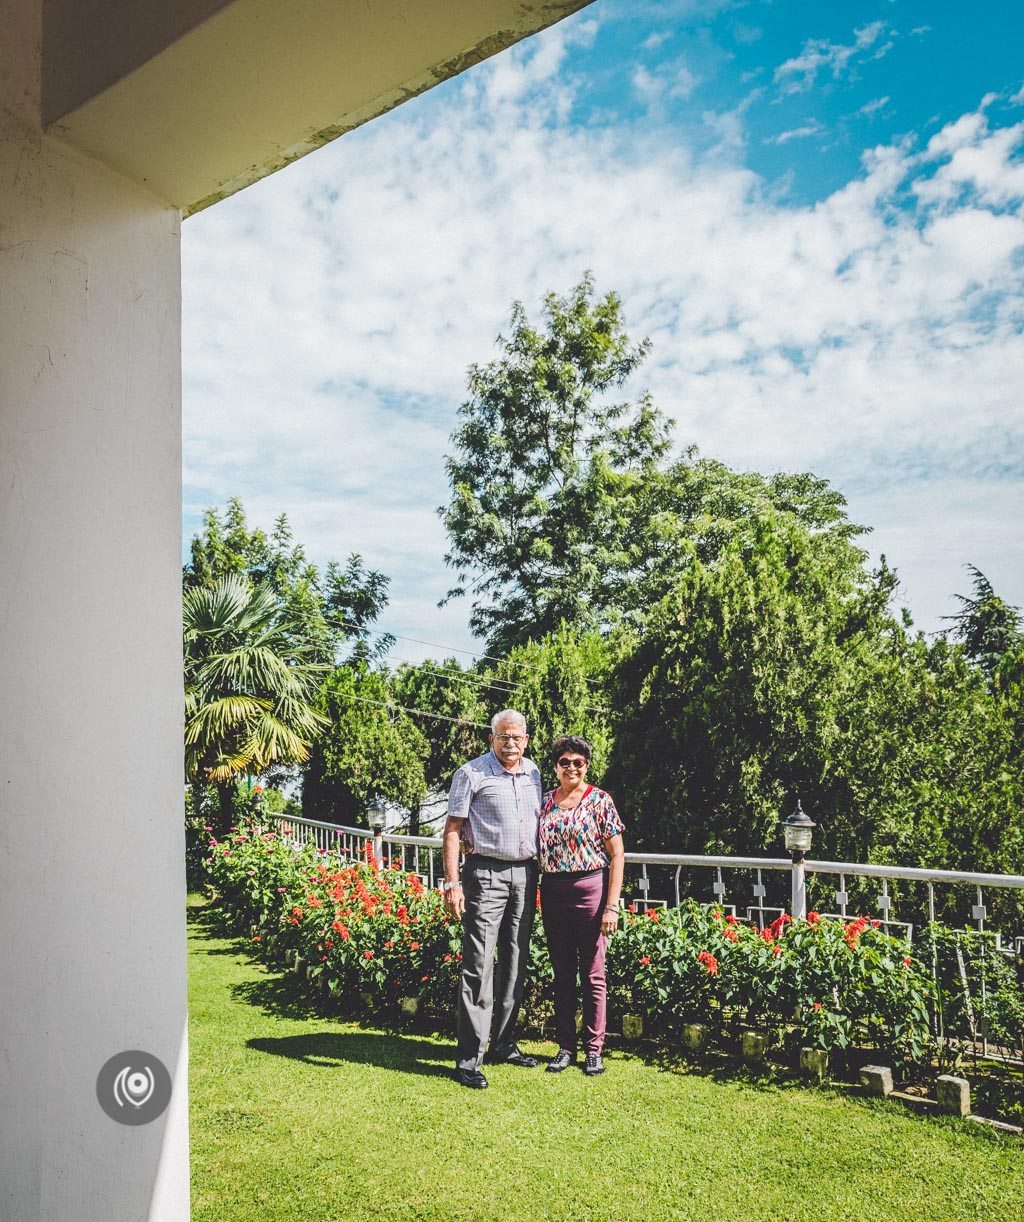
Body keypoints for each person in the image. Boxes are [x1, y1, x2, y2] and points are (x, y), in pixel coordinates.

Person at [443, 709, 543, 1089]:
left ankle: (503, 1042)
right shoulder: (470, 774)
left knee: (515, 962)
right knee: (479, 964)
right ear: (492, 739)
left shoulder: (533, 773)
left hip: (525, 873)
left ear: (526, 739)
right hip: (484, 873)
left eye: (517, 737)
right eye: (503, 737)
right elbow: (452, 830)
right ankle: (469, 1058)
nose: (511, 744)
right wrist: (453, 884)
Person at [538, 735, 624, 1077]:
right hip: (553, 890)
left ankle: (593, 1049)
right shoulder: (544, 802)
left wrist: (611, 905)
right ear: (556, 766)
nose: (571, 767)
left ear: (587, 765)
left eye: (578, 762)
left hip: (591, 888)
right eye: (565, 762)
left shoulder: (600, 801)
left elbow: (617, 853)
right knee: (562, 974)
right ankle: (565, 1047)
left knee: (592, 974)